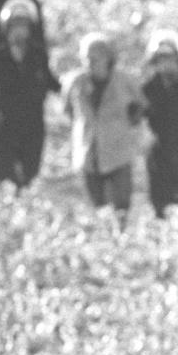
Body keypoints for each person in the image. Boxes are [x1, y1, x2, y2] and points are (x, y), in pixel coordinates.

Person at [0, 0, 60, 190]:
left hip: (32, 125)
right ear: (7, 28)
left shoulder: (38, 55)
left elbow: (52, 82)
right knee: (3, 175)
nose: (20, 31)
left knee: (29, 175)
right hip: (3, 126)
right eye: (15, 26)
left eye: (24, 26)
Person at [62, 32, 144, 228]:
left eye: (95, 58)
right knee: (98, 208)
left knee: (122, 206)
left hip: (119, 152)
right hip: (89, 153)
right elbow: (68, 110)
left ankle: (121, 240)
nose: (90, 62)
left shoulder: (125, 81)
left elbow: (140, 107)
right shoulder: (75, 83)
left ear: (108, 58)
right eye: (86, 58)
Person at [141, 29, 178, 233]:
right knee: (161, 207)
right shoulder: (148, 90)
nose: (165, 62)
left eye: (169, 57)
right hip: (160, 155)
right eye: (160, 58)